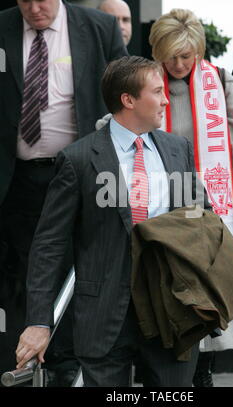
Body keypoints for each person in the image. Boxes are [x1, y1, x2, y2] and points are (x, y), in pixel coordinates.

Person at [15, 55, 204, 387]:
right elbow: (49, 245)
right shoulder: (78, 160)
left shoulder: (178, 149)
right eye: (157, 92)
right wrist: (39, 321)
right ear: (128, 100)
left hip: (171, 313)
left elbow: (199, 225)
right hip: (103, 318)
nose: (164, 100)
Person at [0, 0, 126, 385]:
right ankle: (18, 365)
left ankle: (65, 367)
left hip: (77, 174)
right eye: (25, 1)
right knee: (17, 275)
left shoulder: (99, 28)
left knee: (76, 270)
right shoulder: (3, 27)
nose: (34, 9)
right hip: (14, 177)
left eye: (42, 0)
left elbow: (125, 92)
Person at [149, 8, 233, 386]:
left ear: (199, 51)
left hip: (216, 208)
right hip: (162, 210)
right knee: (171, 299)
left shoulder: (220, 82)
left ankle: (203, 376)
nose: (179, 63)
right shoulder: (145, 83)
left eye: (187, 55)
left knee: (213, 298)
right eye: (171, 55)